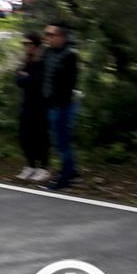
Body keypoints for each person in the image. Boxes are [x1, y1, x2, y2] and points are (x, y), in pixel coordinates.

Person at [42, 22, 79, 190]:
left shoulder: (70, 55)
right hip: (51, 104)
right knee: (59, 141)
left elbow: (68, 84)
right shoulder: (48, 52)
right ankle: (71, 171)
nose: (47, 38)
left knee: (62, 141)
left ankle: (65, 178)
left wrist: (58, 102)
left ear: (62, 37)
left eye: (51, 35)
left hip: (63, 105)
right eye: (46, 34)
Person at [15, 31, 50, 182]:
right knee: (24, 135)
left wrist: (26, 78)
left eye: (28, 44)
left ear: (36, 45)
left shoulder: (42, 62)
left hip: (41, 104)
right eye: (24, 44)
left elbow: (38, 82)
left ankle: (43, 167)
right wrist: (25, 78)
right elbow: (18, 80)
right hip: (27, 103)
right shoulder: (26, 61)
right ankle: (30, 165)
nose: (25, 47)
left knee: (41, 136)